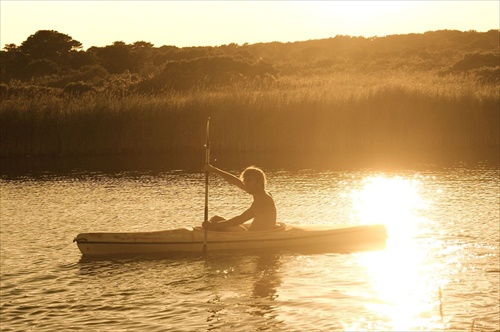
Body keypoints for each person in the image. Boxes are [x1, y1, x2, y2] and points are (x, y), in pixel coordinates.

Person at [202, 164, 277, 231]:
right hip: (250, 233)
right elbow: (234, 181)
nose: (246, 183)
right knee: (216, 219)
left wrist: (213, 226)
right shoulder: (257, 191)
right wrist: (214, 170)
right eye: (245, 181)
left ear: (259, 181)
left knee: (215, 221)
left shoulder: (263, 200)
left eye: (249, 180)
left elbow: (239, 220)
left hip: (254, 237)